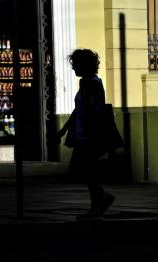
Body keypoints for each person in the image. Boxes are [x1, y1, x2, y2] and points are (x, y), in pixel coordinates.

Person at [57, 49, 115, 221]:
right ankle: (97, 205)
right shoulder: (87, 83)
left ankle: (100, 201)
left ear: (84, 65)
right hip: (84, 135)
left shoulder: (93, 83)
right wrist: (64, 129)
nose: (74, 68)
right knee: (86, 171)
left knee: (82, 170)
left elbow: (91, 108)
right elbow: (78, 110)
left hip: (90, 136)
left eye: (76, 65)